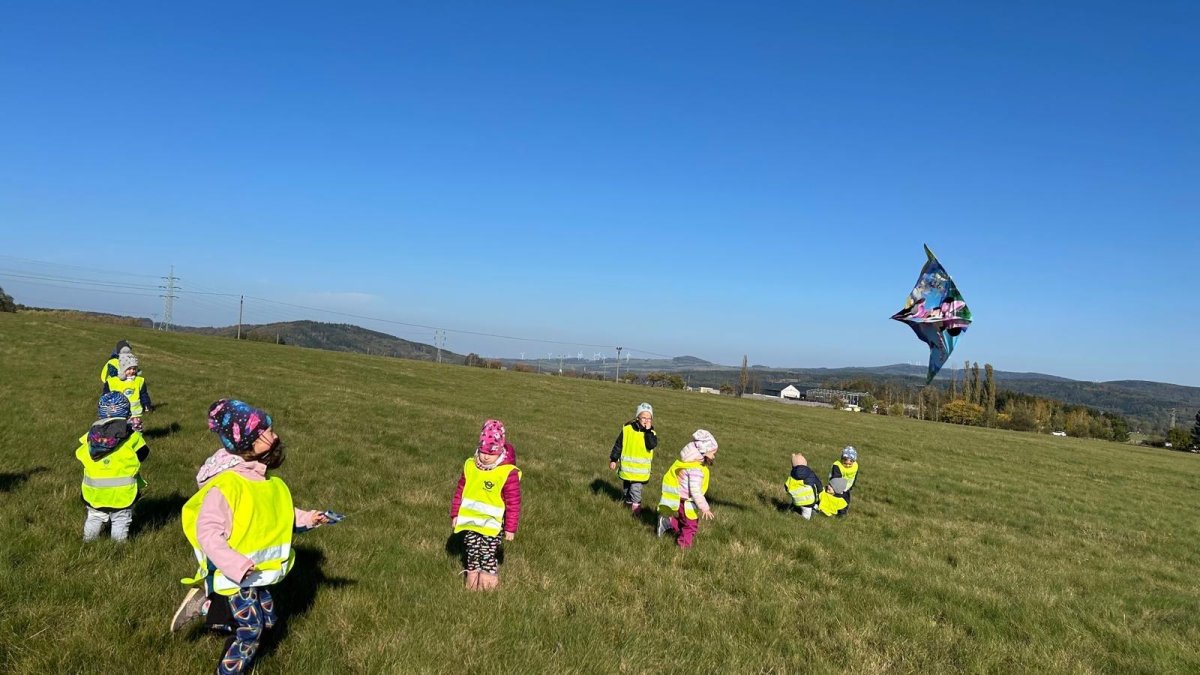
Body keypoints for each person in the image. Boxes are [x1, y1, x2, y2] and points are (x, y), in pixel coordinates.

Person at [170, 399, 332, 675]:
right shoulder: (227, 486)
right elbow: (207, 533)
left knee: (269, 620)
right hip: (236, 575)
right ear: (247, 443)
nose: (275, 436)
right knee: (251, 629)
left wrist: (309, 519)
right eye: (267, 432)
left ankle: (208, 606)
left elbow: (279, 513)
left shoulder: (264, 479)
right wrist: (236, 565)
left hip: (259, 572)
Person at [450, 434, 522, 590]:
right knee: (472, 550)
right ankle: (472, 580)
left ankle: (488, 583)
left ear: (500, 451)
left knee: (487, 552)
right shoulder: (471, 466)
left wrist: (510, 528)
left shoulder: (506, 472)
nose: (486, 456)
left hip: (492, 525)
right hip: (471, 522)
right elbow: (460, 491)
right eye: (483, 451)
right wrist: (455, 514)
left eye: (491, 453)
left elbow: (513, 502)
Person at [75, 392, 149, 542]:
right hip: (122, 492)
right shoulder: (132, 436)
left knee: (94, 516)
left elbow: (80, 454)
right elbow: (143, 454)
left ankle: (88, 542)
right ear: (127, 413)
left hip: (94, 491)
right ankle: (118, 547)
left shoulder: (90, 436)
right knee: (120, 518)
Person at [656, 430, 718, 549]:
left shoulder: (690, 463)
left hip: (681, 500)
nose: (714, 456)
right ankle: (683, 547)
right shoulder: (696, 470)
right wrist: (705, 508)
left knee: (685, 522)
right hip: (687, 503)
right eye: (712, 453)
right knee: (690, 526)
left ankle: (667, 522)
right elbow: (695, 491)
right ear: (704, 451)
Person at [608, 402, 657, 515]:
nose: (646, 420)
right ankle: (627, 505)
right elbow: (618, 445)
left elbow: (651, 445)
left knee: (635, 490)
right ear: (637, 417)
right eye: (643, 417)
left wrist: (648, 431)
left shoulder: (651, 433)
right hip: (627, 470)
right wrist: (614, 459)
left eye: (649, 418)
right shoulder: (627, 430)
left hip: (640, 472)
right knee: (627, 490)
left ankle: (636, 510)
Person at [102, 349, 152, 430]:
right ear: (122, 368)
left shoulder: (139, 381)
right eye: (129, 369)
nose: (132, 371)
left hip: (134, 413)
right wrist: (105, 407)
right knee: (119, 429)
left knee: (135, 430)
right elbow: (105, 396)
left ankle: (136, 436)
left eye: (134, 368)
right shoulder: (112, 382)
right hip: (117, 412)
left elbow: (144, 394)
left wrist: (147, 405)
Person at [785, 453, 823, 520]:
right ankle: (801, 518)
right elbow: (818, 484)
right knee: (806, 517)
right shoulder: (810, 474)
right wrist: (820, 490)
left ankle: (791, 509)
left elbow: (786, 486)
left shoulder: (792, 475)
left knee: (795, 503)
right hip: (808, 502)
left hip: (796, 500)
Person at [829, 446, 860, 513]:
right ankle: (831, 510)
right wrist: (837, 489)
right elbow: (836, 477)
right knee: (835, 499)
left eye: (850, 464)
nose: (847, 465)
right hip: (836, 487)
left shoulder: (855, 466)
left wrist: (851, 486)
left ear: (854, 461)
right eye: (845, 463)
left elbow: (855, 476)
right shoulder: (837, 465)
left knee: (845, 501)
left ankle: (842, 513)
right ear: (842, 459)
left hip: (847, 487)